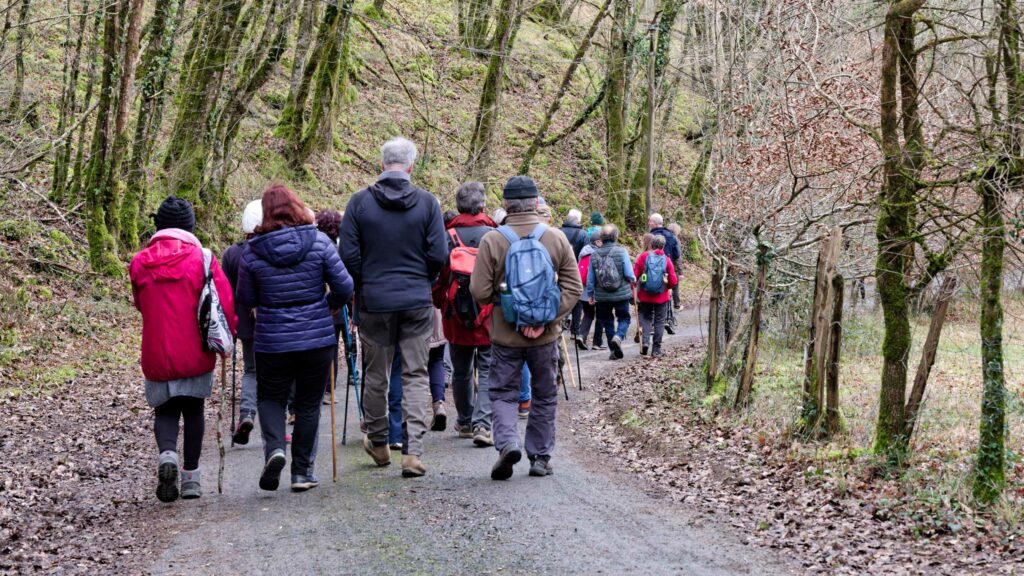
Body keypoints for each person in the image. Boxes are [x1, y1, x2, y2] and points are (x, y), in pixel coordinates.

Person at [339, 137, 447, 478]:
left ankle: (379, 442)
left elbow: (347, 255)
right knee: (415, 374)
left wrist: (368, 278)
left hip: (375, 302)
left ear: (381, 165)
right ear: (411, 166)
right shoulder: (428, 203)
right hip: (416, 301)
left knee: (375, 375)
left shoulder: (359, 203)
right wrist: (422, 279)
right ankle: (412, 453)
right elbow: (439, 255)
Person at [238, 184, 354, 493]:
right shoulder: (319, 242)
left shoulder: (252, 251)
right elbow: (345, 286)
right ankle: (301, 473)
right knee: (309, 403)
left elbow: (246, 298)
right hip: (316, 338)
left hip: (272, 339)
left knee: (271, 398)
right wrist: (327, 306)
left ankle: (276, 448)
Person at [470, 175, 582, 480]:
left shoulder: (493, 240)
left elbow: (479, 291)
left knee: (503, 392)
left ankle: (508, 443)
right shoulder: (555, 238)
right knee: (544, 394)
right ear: (535, 202)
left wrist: (508, 306)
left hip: (506, 334)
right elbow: (574, 287)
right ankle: (540, 458)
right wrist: (546, 318)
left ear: (506, 204)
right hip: (545, 337)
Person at [130, 196, 238, 502]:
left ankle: (167, 455)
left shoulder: (139, 262)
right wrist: (229, 337)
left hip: (156, 350)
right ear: (190, 226)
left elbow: (140, 303)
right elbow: (224, 302)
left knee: (164, 410)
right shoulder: (203, 259)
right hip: (195, 350)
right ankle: (191, 478)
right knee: (193, 410)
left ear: (159, 226)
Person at [433, 181, 497, 447]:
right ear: (482, 205)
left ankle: (465, 421)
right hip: (489, 313)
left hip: (455, 315)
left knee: (461, 370)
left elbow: (438, 277)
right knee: (488, 369)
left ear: (458, 206)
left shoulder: (446, 236)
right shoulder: (495, 235)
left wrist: (441, 303)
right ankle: (483, 424)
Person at [222, 200, 262, 445]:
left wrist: (230, 324)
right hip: (273, 323)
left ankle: (247, 413)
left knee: (252, 371)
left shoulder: (232, 254)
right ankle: (276, 428)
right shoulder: (272, 249)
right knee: (274, 374)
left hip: (245, 326)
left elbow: (226, 294)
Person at [585, 224, 635, 360]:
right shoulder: (621, 251)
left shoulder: (594, 254)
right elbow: (629, 274)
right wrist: (633, 280)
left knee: (607, 321)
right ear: (615, 236)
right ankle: (618, 336)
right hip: (621, 294)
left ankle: (613, 351)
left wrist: (590, 294)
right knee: (624, 318)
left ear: (602, 237)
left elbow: (590, 278)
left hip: (602, 296)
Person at [634, 234, 678, 357]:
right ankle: (656, 350)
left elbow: (634, 276)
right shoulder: (666, 260)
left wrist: (634, 289)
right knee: (659, 321)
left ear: (651, 245)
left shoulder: (643, 257)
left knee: (646, 318)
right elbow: (673, 281)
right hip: (662, 297)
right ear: (663, 246)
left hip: (645, 295)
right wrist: (667, 286)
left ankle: (645, 342)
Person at [649, 214, 681, 332]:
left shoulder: (650, 236)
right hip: (667, 269)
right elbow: (677, 255)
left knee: (651, 295)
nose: (649, 223)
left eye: (650, 221)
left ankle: (652, 323)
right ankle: (668, 319)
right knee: (667, 295)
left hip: (651, 270)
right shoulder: (671, 236)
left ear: (656, 223)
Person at [575, 229, 604, 350]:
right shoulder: (598, 254)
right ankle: (597, 343)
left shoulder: (583, 252)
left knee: (588, 314)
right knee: (601, 315)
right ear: (597, 242)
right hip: (596, 290)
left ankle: (582, 335)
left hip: (583, 290)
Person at [667, 222, 684, 310]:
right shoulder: (676, 240)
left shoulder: (664, 237)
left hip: (664, 265)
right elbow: (678, 257)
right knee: (675, 286)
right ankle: (677, 305)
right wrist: (681, 272)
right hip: (673, 267)